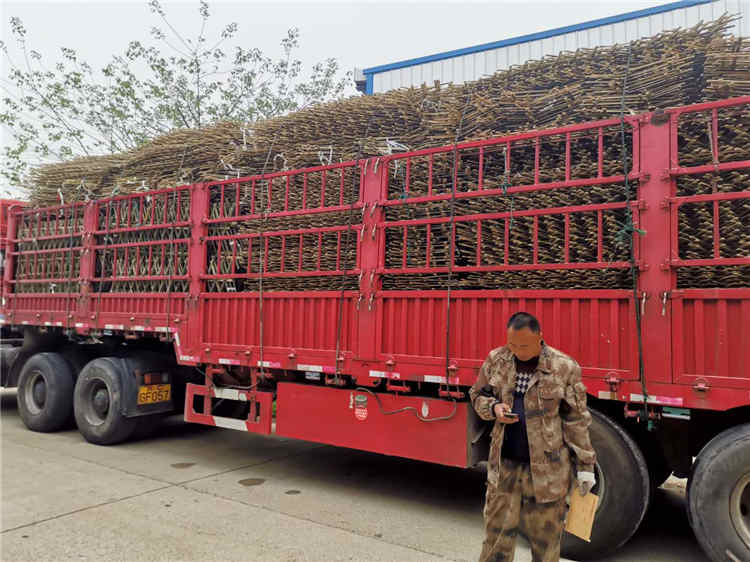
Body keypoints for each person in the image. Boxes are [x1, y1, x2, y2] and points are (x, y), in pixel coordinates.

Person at [469, 312, 596, 562]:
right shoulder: (497, 359)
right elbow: (477, 394)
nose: (518, 351)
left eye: (524, 345)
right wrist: (493, 407)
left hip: (548, 473)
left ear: (540, 338)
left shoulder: (564, 367)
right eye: (513, 344)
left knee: (546, 544)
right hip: (504, 468)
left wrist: (586, 466)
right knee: (496, 540)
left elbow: (576, 419)